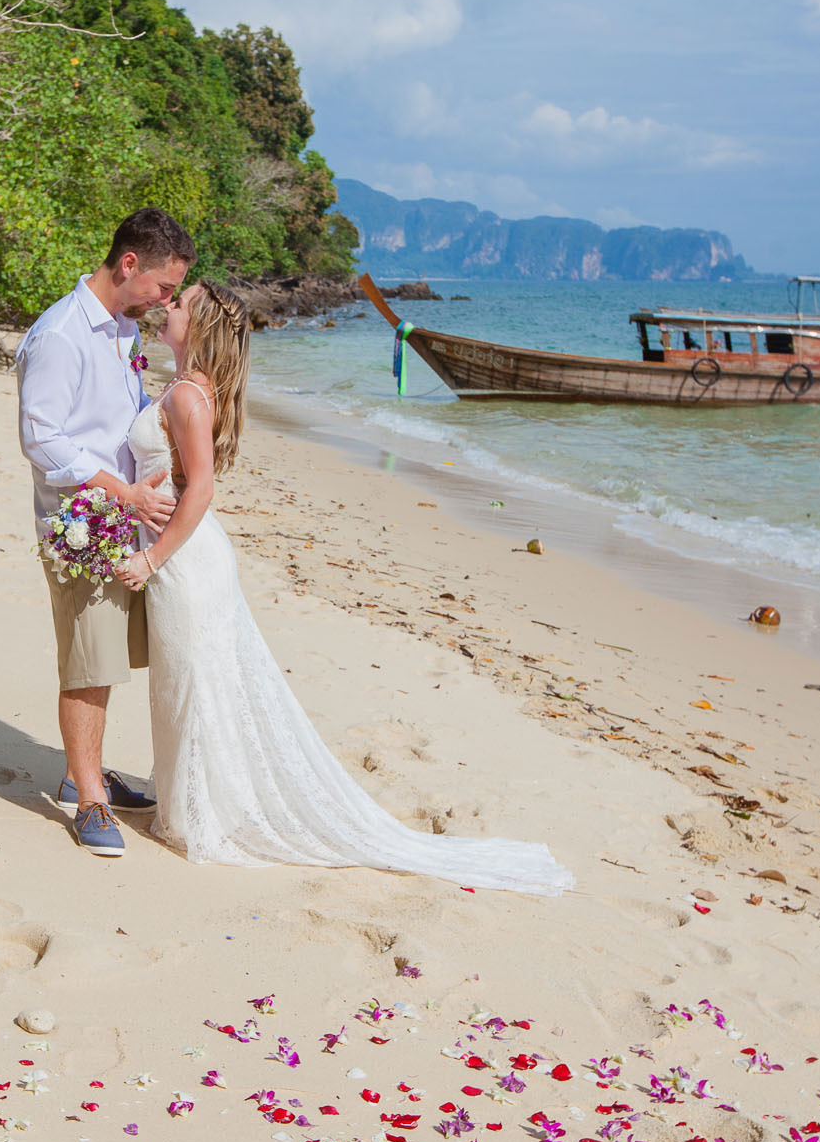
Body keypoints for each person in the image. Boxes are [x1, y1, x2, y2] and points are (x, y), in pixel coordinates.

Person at [110, 281, 573, 895]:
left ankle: (200, 814)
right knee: (187, 684)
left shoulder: (191, 398)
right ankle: (188, 802)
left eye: (180, 302)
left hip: (186, 562)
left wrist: (151, 561)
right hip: (181, 559)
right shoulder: (183, 389)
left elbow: (201, 490)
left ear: (199, 326)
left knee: (197, 685)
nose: (167, 305)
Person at [16, 208, 193, 857]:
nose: (164, 301)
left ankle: (79, 771)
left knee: (106, 658)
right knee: (87, 661)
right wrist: (124, 492)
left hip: (124, 520)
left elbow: (123, 419)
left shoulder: (121, 328)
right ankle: (89, 799)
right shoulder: (61, 335)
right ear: (128, 265)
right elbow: (43, 440)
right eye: (164, 288)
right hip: (79, 522)